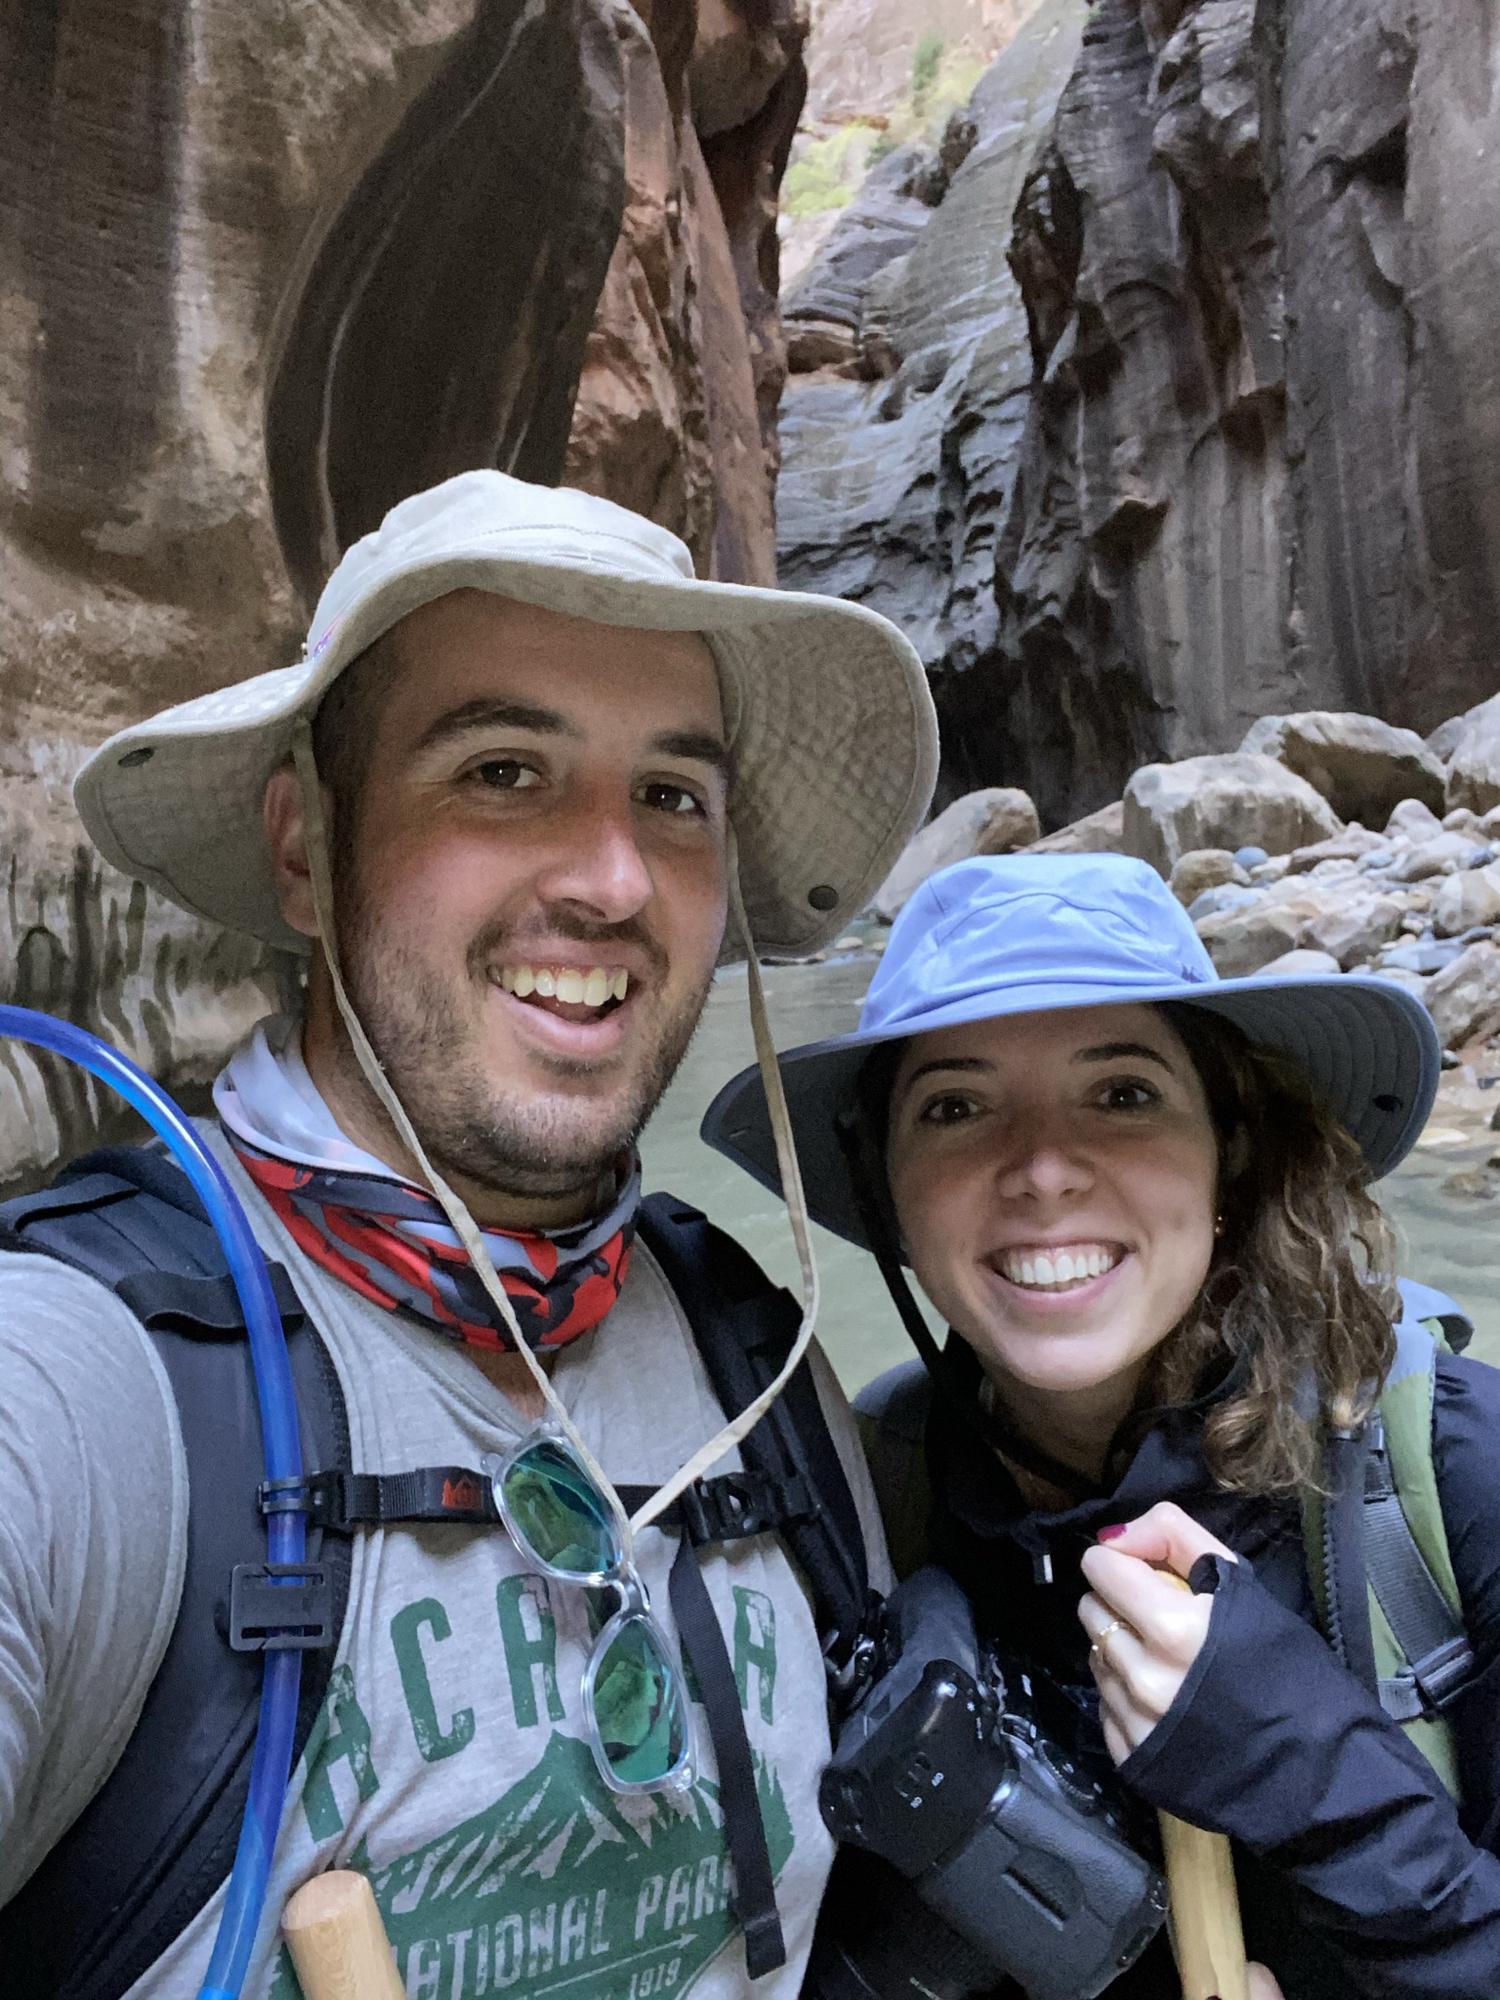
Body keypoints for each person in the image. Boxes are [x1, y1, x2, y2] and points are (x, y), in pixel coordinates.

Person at [0, 471, 939, 1999]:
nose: (614, 878)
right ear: (305, 852)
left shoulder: (757, 1366)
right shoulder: (78, 1390)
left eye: (673, 796)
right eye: (503, 771)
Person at [704, 851, 1500, 1998]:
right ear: (888, 1193)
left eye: (1123, 1092)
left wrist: (1313, 1775)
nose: (1039, 1168)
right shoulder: (875, 1505)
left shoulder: (1450, 1475)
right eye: (957, 1105)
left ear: (1227, 1145)